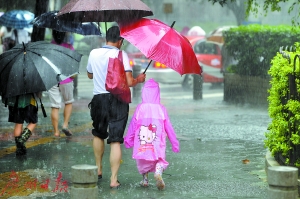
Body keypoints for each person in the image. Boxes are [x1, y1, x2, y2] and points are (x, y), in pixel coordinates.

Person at [86, 26, 146, 189]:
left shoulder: (93, 53)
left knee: (98, 134)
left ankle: (98, 169)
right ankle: (113, 180)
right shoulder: (121, 55)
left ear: (106, 38)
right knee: (115, 141)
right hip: (118, 101)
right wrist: (139, 80)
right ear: (120, 41)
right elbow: (128, 82)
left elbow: (90, 74)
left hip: (99, 100)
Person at [124, 78, 180, 190]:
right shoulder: (161, 109)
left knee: (143, 160)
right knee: (159, 158)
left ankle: (145, 180)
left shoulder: (140, 108)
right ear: (157, 93)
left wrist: (128, 139)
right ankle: (158, 172)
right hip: (157, 141)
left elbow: (133, 125)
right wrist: (175, 143)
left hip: (142, 142)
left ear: (144, 92)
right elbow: (168, 127)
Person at [48, 30, 75, 137]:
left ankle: (56, 132)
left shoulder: (49, 47)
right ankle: (64, 125)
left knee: (55, 106)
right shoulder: (69, 47)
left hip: (52, 80)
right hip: (66, 79)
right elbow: (74, 64)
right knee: (68, 102)